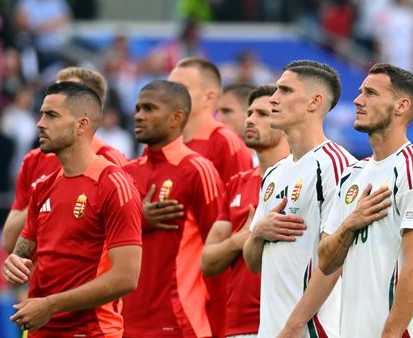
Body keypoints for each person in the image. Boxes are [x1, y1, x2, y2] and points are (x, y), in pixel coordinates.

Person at [2, 81, 142, 335]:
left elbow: (126, 277)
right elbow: (22, 252)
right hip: (39, 330)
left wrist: (50, 305)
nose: (40, 123)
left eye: (52, 115)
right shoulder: (44, 186)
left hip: (92, 331)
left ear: (81, 125)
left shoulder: (113, 184)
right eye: (42, 113)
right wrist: (14, 262)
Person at [318, 63, 413, 337]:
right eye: (361, 91)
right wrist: (350, 224)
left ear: (401, 106)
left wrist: (390, 334)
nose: (358, 100)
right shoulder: (352, 174)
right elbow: (326, 261)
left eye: (371, 93)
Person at [243, 60, 355, 337]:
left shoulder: (337, 166)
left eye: (285, 91)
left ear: (314, 102)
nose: (273, 99)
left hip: (312, 329)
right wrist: (258, 233)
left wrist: (294, 326)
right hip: (271, 328)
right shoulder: (275, 172)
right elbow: (253, 262)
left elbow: (337, 259)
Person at [121, 80, 223, 337]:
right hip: (122, 323)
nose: (138, 116)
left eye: (149, 108)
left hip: (180, 323)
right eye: (137, 108)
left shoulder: (197, 171)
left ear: (176, 118)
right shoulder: (125, 174)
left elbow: (219, 253)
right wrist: (139, 220)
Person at [167, 57, 253, 336]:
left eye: (180, 88)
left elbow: (237, 215)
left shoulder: (224, 142)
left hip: (210, 282)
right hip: (171, 278)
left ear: (209, 97)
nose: (171, 95)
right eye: (169, 87)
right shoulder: (167, 142)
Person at [1, 67, 128, 253]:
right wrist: (44, 198)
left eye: (69, 93)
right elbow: (9, 243)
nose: (56, 100)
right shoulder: (33, 160)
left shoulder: (113, 163)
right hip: (40, 279)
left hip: (89, 279)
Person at [201, 85, 290, 337]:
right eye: (250, 113)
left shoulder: (305, 178)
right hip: (238, 324)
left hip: (286, 321)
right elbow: (207, 262)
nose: (251, 120)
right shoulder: (238, 182)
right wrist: (240, 240)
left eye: (263, 114)